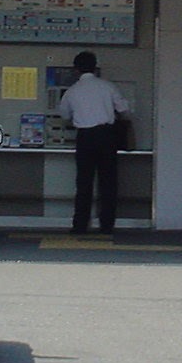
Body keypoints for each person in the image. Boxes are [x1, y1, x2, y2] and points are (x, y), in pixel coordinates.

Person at [57, 50, 129, 234]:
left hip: (85, 138)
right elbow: (124, 108)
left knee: (84, 183)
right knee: (108, 182)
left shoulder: (72, 91)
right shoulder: (107, 87)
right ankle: (107, 224)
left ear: (76, 69)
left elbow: (64, 114)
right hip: (107, 136)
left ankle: (80, 224)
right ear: (95, 67)